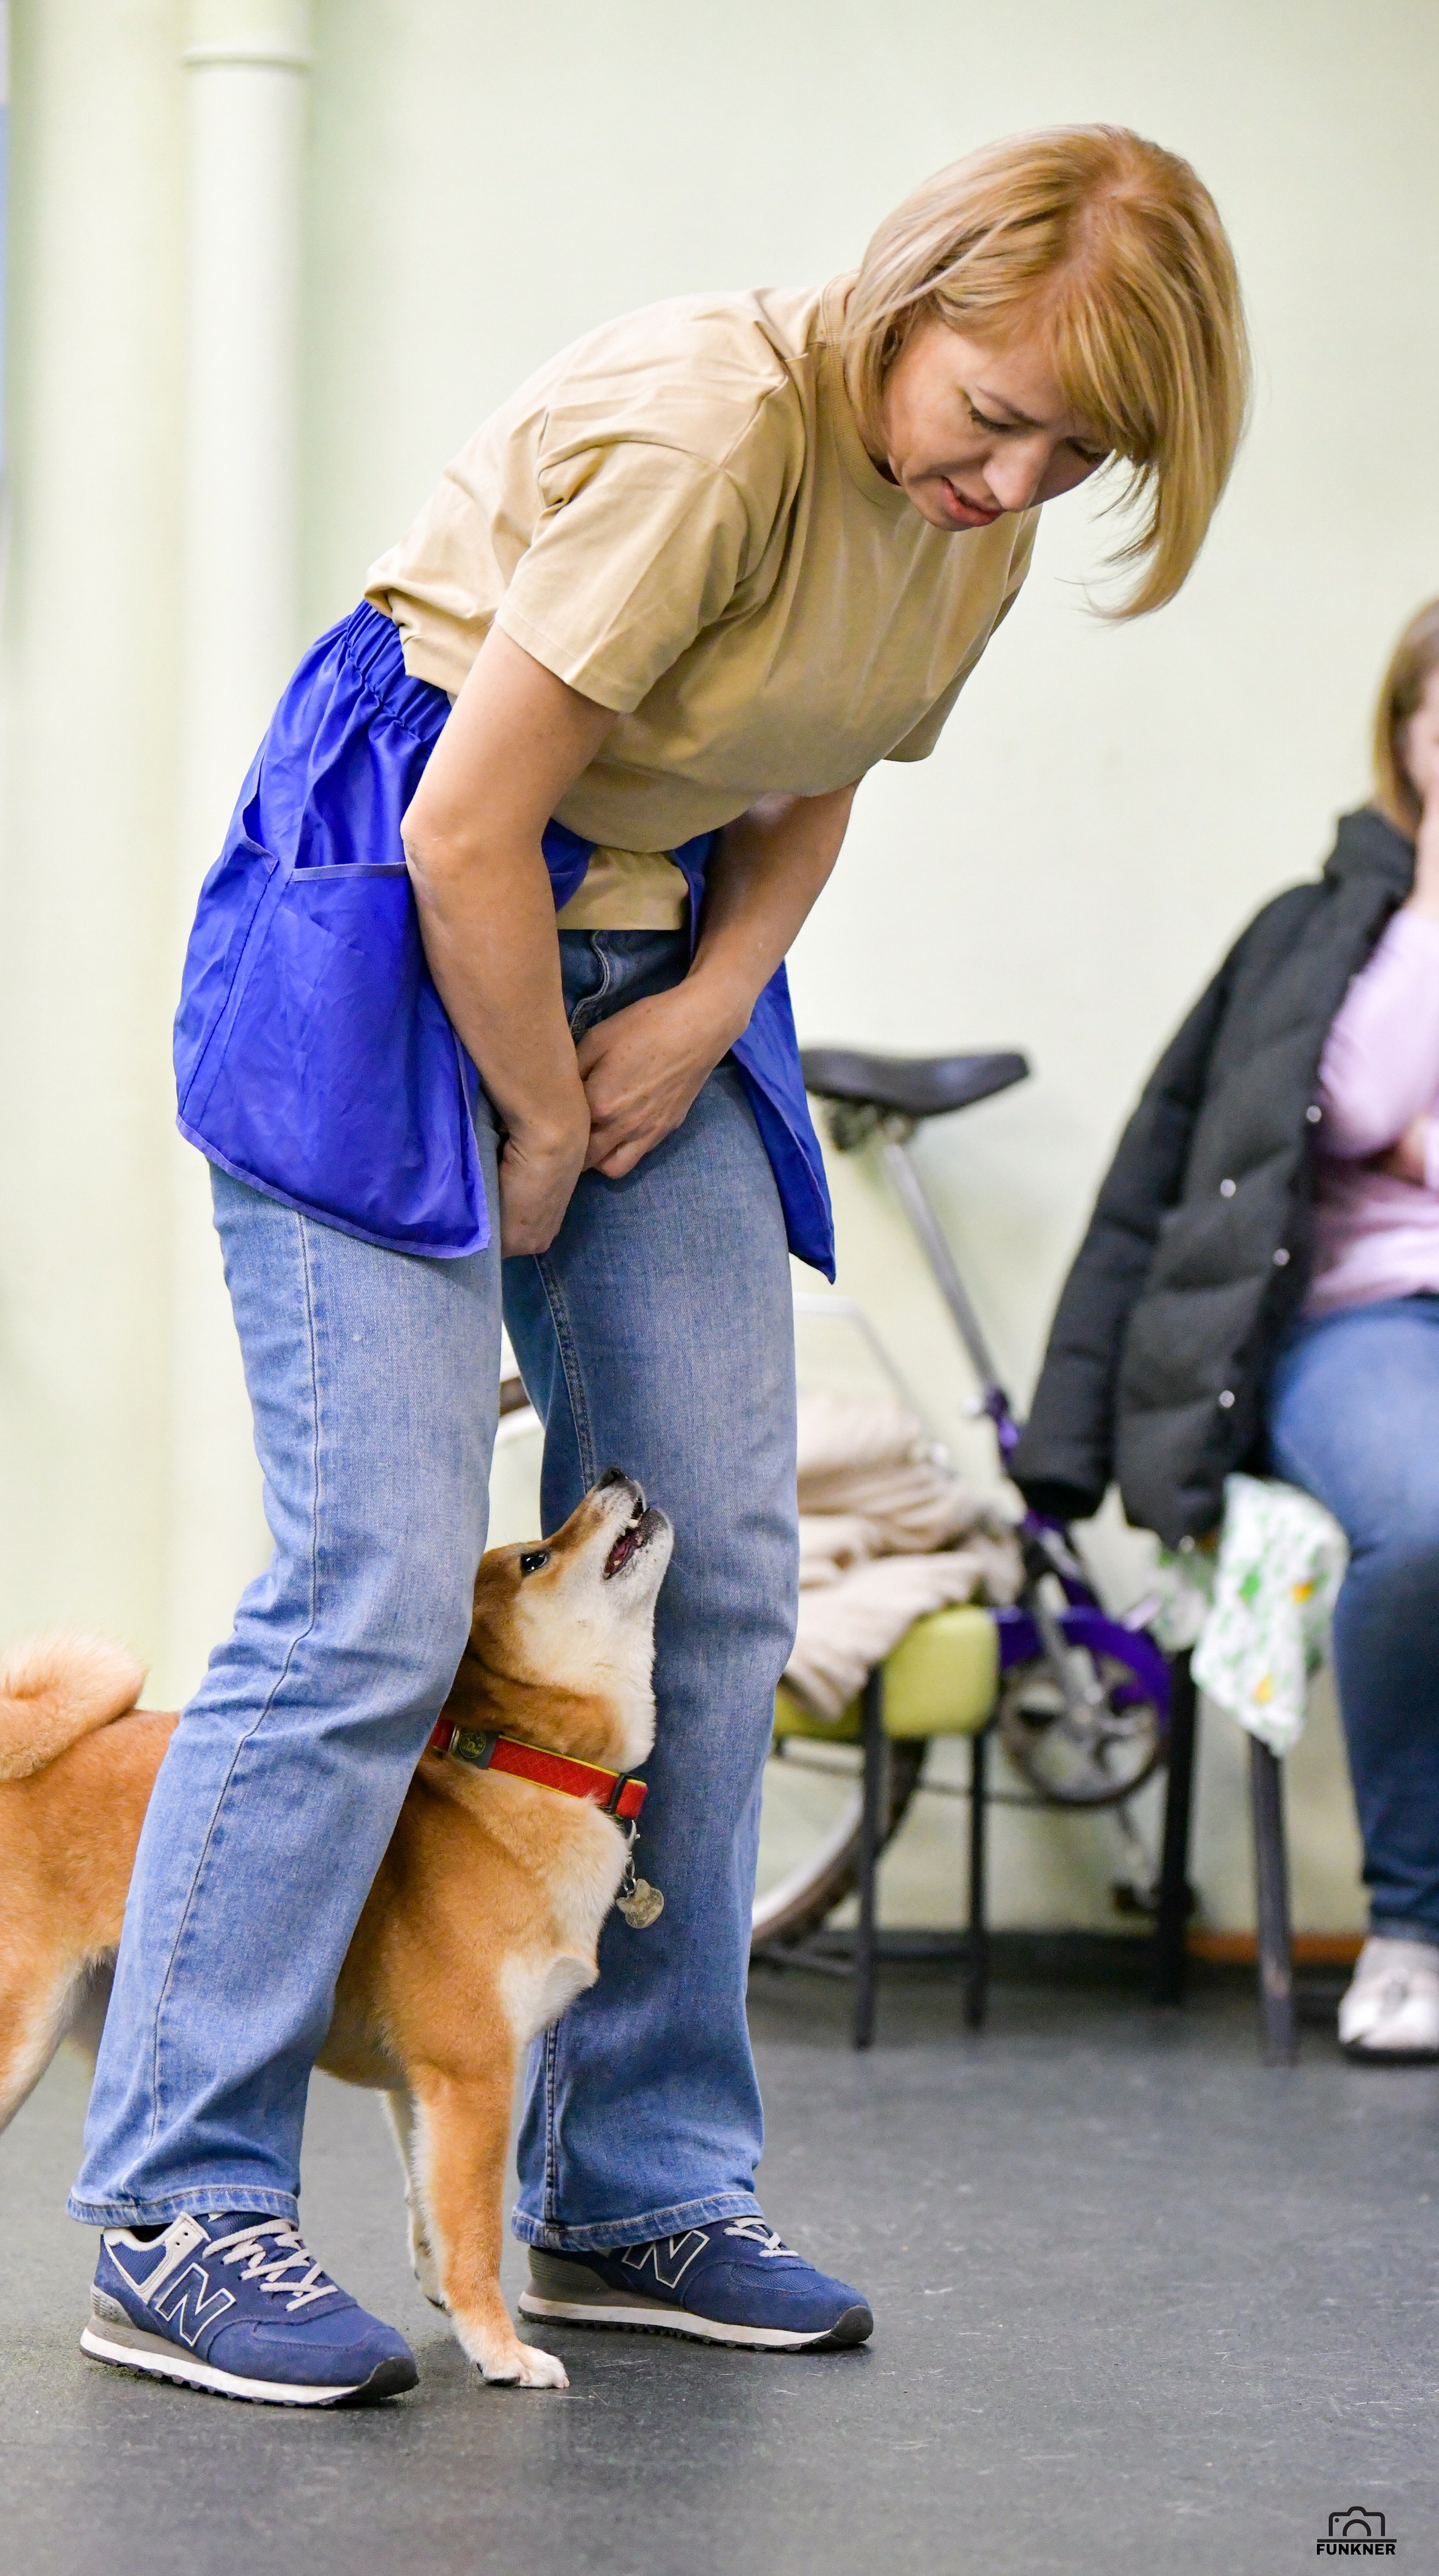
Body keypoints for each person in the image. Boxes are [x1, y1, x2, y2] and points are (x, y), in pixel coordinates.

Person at [70, 125, 1249, 2407]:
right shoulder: (721, 426)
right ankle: (179, 2203)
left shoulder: (959, 519)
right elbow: (462, 824)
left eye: (1072, 451)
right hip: (394, 912)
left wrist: (702, 1018)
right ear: (915, 296)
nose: (1014, 477)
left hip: (652, 937)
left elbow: (822, 770)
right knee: (381, 1588)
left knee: (712, 1569)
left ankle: (631, 2187)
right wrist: (535, 1114)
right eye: (995, 411)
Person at [1017, 599, 1439, 2066]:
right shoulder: (1316, 934)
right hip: (1366, 1318)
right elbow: (1177, 1166)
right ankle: (1411, 1927)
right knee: (1425, 1525)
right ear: (1403, 736)